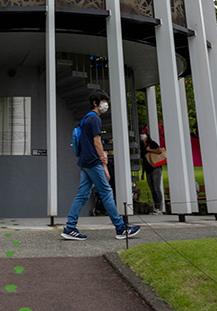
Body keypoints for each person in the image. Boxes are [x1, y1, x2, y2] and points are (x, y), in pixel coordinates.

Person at [61, 90, 140, 241]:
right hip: (93, 161)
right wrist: (104, 162)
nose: (106, 105)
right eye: (103, 102)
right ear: (95, 103)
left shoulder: (85, 119)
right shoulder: (95, 119)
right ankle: (120, 228)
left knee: (82, 194)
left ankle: (70, 228)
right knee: (106, 192)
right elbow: (97, 142)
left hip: (84, 161)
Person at [140, 134, 165, 215]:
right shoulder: (142, 147)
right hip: (148, 169)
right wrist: (143, 173)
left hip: (155, 168)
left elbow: (159, 151)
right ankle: (156, 208)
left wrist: (150, 149)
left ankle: (160, 208)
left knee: (156, 188)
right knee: (152, 189)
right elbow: (144, 160)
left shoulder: (152, 143)